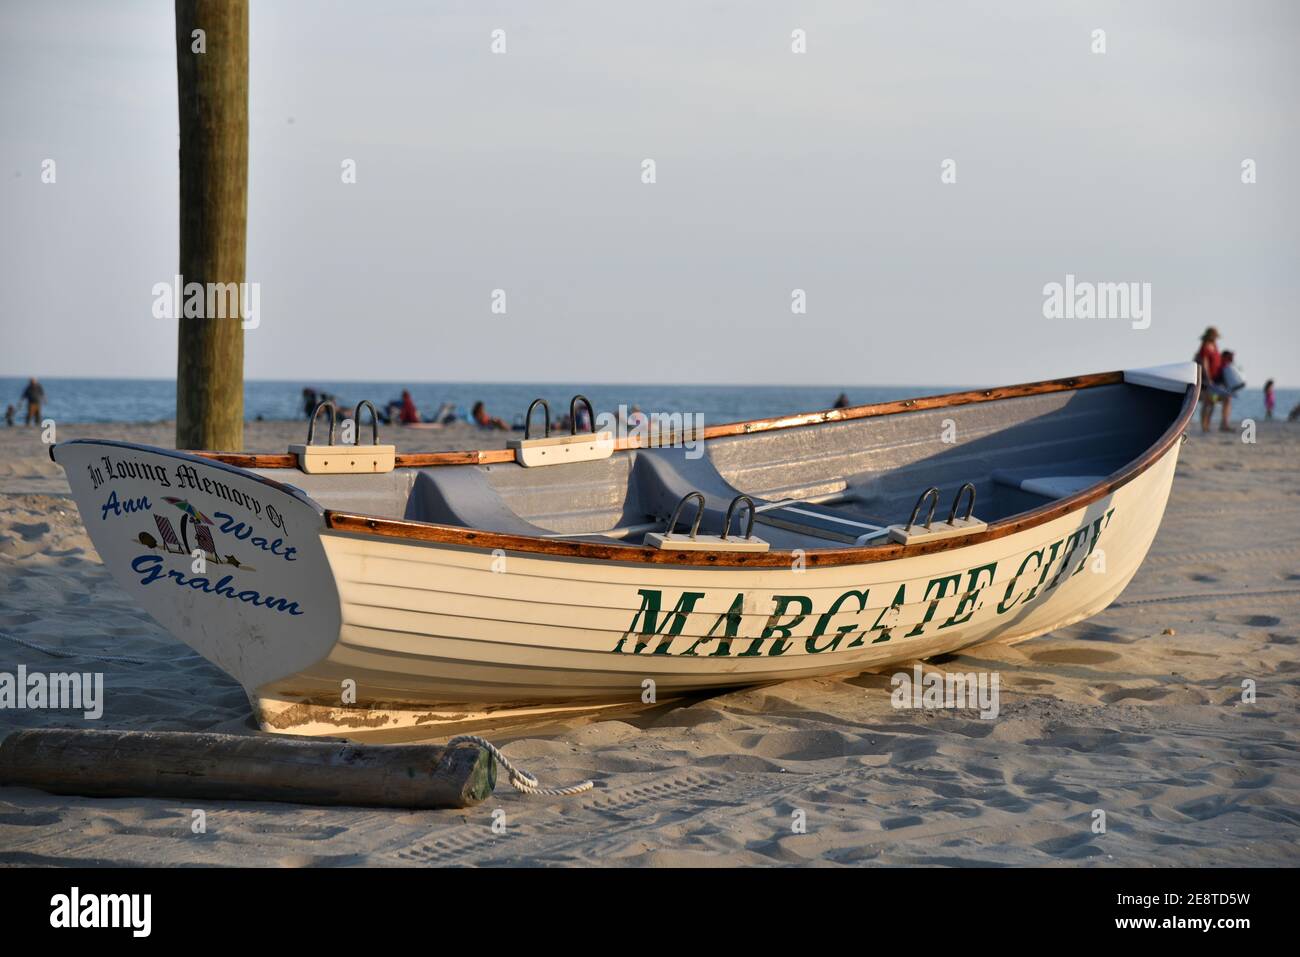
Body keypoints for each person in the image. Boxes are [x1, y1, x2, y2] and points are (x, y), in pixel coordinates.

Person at [1194, 327, 1231, 433]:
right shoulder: (1204, 347)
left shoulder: (1215, 346)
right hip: (1207, 381)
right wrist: (1208, 378)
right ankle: (1204, 426)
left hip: (1216, 381)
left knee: (1215, 401)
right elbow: (1204, 363)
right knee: (1208, 402)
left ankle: (1222, 424)